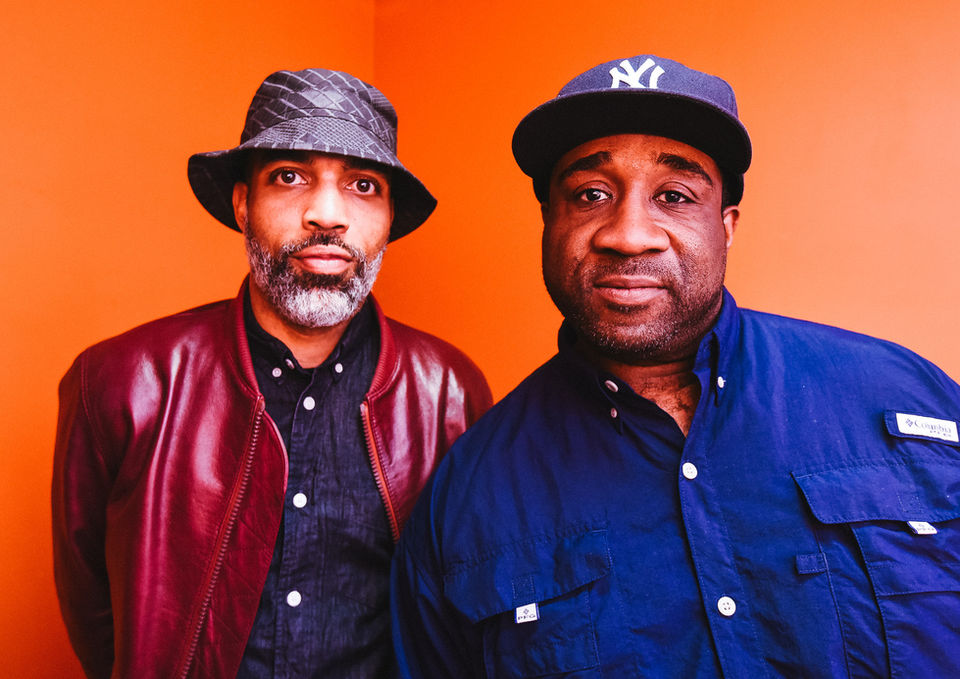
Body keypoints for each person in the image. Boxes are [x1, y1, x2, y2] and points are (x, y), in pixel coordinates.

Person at [391, 54, 960, 678]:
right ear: (549, 224)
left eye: (674, 196)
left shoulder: (907, 399)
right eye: (590, 195)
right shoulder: (466, 497)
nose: (629, 234)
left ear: (727, 227)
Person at [52, 68, 492, 679]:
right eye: (290, 176)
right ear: (242, 204)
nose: (327, 214)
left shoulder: (450, 391)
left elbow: (464, 600)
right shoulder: (120, 381)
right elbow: (95, 608)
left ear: (390, 217)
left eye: (363, 185)